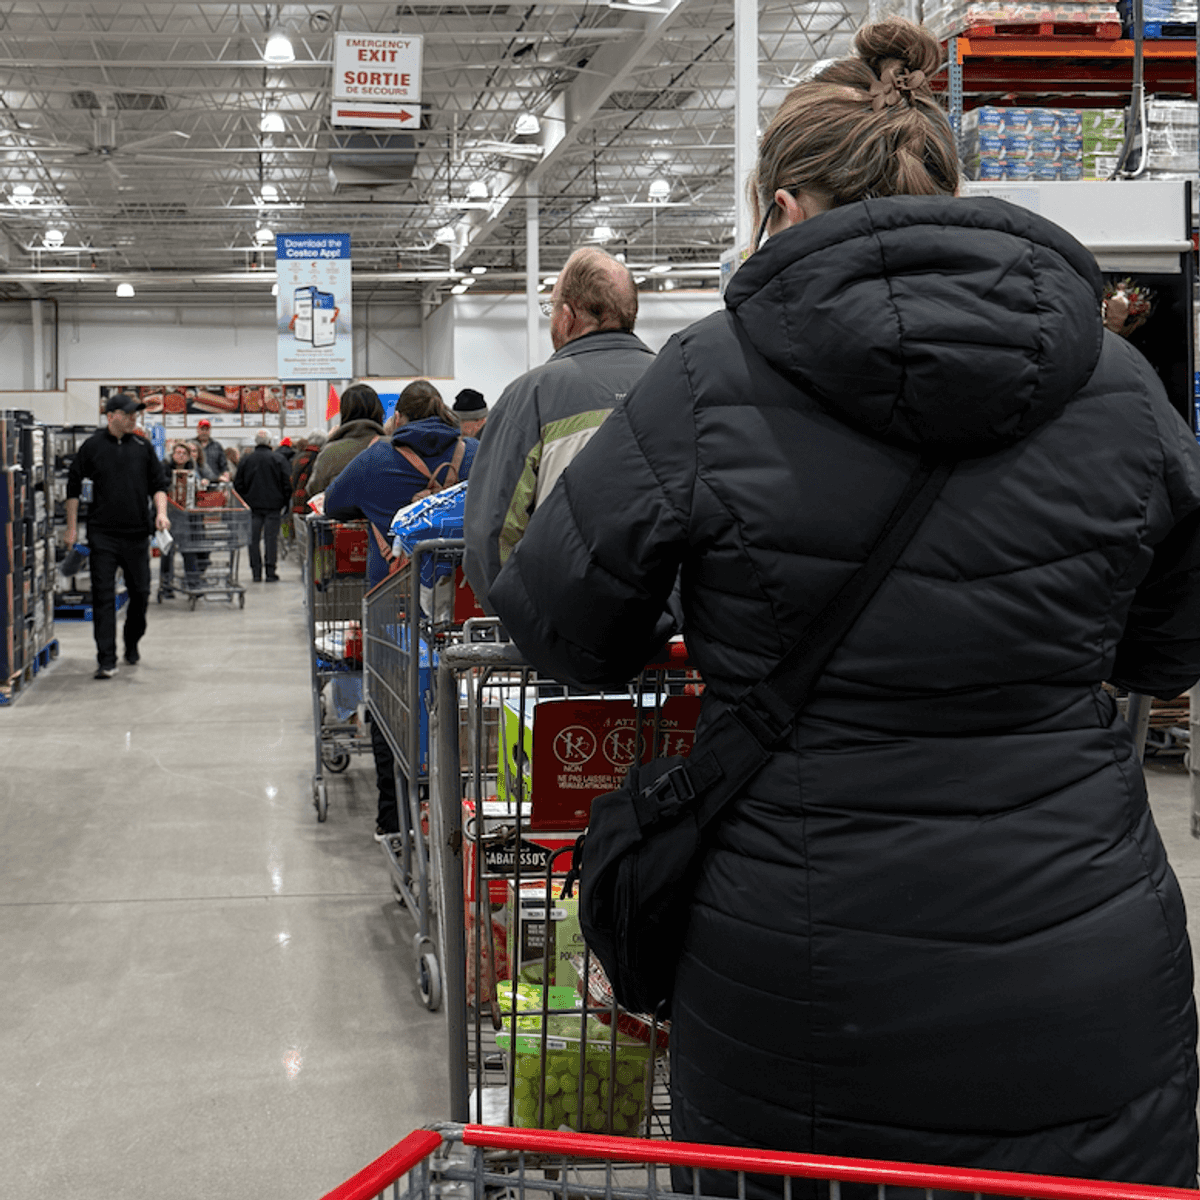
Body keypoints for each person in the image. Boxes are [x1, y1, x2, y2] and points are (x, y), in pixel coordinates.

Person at [486, 17, 1200, 1188]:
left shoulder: (706, 378)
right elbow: (1167, 646)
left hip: (801, 970)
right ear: (952, 191)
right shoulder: (1121, 386)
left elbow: (562, 622)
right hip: (1085, 958)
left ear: (783, 209)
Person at [325, 380, 479, 839]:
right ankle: (457, 810)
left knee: (391, 707)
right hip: (464, 605)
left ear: (400, 418)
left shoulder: (376, 459)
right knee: (465, 704)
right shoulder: (474, 454)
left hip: (395, 604)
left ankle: (393, 820)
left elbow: (333, 504)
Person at [463, 246, 654, 604]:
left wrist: (517, 616)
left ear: (567, 317)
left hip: (566, 616)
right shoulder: (679, 383)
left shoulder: (530, 396)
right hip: (670, 618)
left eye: (551, 308)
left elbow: (492, 531)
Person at [66, 393, 170, 679]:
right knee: (103, 596)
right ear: (111, 416)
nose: (134, 418)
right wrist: (72, 527)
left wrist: (161, 513)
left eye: (136, 413)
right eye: (128, 413)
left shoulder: (143, 447)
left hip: (137, 534)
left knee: (140, 594)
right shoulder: (92, 446)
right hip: (103, 535)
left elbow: (159, 485)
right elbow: (73, 486)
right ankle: (106, 659)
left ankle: (132, 641)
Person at [305, 384, 387, 498]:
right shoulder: (394, 447)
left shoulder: (330, 452)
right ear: (378, 411)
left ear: (344, 413)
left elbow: (313, 490)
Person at [234, 428, 292, 582]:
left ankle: (256, 572)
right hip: (274, 506)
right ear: (269, 442)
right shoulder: (278, 459)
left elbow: (238, 483)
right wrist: (284, 501)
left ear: (255, 442)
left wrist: (246, 498)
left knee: (253, 540)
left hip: (252, 507)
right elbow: (287, 483)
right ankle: (270, 572)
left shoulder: (246, 460)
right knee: (271, 539)